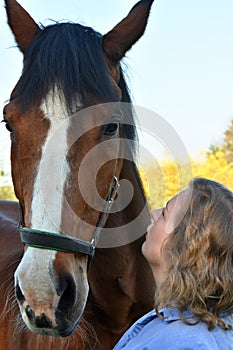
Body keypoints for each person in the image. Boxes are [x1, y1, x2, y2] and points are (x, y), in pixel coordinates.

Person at [113, 177, 233, 349]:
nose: (154, 213)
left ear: (185, 247)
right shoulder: (177, 323)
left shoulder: (188, 343)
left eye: (164, 214)